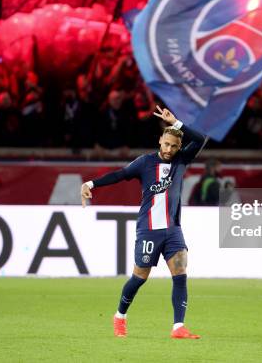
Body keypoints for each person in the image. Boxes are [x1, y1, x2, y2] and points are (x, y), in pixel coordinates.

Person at [80, 106, 206, 339]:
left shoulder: (181, 160)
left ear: (179, 147)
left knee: (180, 273)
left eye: (174, 146)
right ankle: (120, 316)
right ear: (160, 141)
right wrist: (91, 184)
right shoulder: (144, 163)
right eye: (166, 144)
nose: (169, 149)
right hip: (148, 230)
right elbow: (119, 175)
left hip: (173, 230)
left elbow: (200, 139)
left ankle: (178, 327)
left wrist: (176, 122)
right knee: (139, 278)